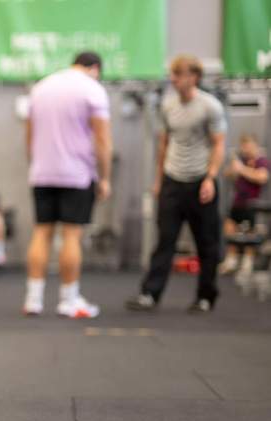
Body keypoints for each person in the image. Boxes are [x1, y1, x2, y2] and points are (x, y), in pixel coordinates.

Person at [126, 55, 227, 314]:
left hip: (200, 183)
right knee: (164, 241)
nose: (173, 79)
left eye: (178, 74)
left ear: (193, 77)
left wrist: (210, 178)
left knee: (206, 243)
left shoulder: (210, 106)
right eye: (172, 74)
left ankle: (205, 297)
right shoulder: (168, 106)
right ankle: (150, 294)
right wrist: (159, 181)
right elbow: (164, 145)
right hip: (173, 181)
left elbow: (218, 144)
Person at [22, 51, 113, 318]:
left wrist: (36, 164)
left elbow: (28, 137)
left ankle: (33, 299)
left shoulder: (40, 87)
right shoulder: (92, 90)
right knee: (71, 235)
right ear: (95, 68)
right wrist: (105, 177)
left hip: (42, 172)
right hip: (76, 174)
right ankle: (68, 300)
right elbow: (103, 141)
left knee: (41, 233)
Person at [218, 133, 268, 278]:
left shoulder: (261, 161)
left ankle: (248, 262)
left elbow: (262, 177)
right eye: (243, 146)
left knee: (250, 232)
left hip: (252, 204)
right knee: (230, 228)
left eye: (248, 145)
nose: (245, 149)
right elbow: (228, 174)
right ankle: (231, 261)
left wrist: (242, 170)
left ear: (255, 145)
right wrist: (235, 168)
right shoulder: (242, 160)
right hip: (237, 202)